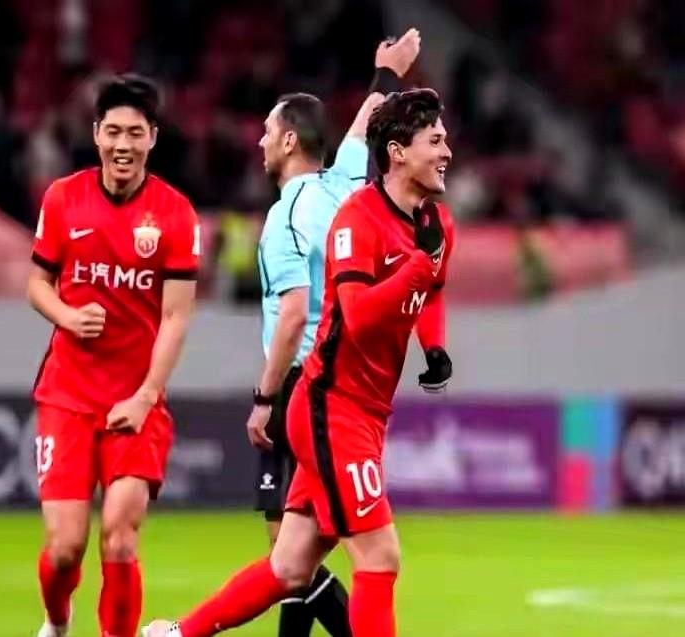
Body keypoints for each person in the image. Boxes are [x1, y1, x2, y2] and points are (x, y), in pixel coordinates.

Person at [143, 87, 455, 637]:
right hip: (330, 406)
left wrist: (434, 346)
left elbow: (430, 291)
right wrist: (415, 266)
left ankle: (176, 634)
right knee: (379, 555)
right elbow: (359, 315)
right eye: (435, 140)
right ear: (399, 152)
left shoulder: (435, 224)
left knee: (289, 566)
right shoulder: (357, 220)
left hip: (366, 412)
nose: (447, 151)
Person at [247, 30, 421, 637]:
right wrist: (387, 76)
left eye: (268, 131)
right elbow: (364, 127)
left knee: (290, 555)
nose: (260, 141)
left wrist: (265, 396)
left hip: (304, 382)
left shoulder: (284, 218)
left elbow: (293, 313)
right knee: (298, 551)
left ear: (288, 140)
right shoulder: (345, 186)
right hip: (347, 379)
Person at [27, 74, 200, 637]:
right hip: (67, 395)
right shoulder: (63, 198)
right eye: (114, 132)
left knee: (120, 537)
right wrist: (66, 316)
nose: (123, 144)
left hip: (135, 400)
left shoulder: (175, 214)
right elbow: (37, 284)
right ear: (97, 133)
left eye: (136, 133)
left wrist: (146, 395)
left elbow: (175, 317)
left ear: (153, 138)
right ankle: (57, 622)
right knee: (65, 547)